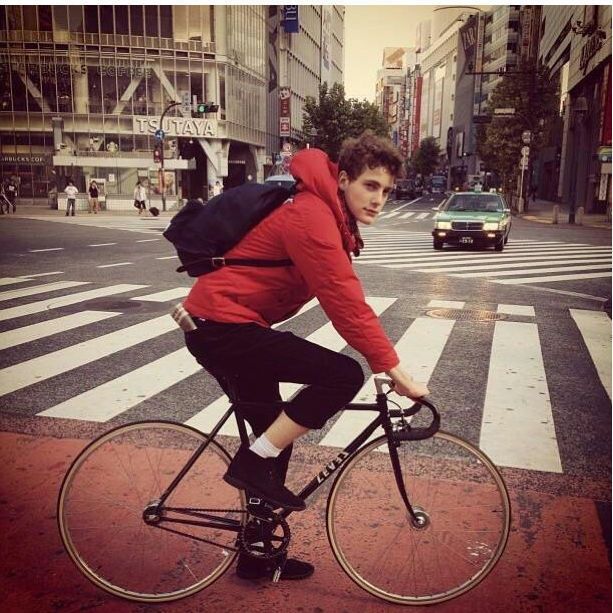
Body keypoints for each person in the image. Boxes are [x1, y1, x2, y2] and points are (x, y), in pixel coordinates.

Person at [180, 131, 430, 582]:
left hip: (229, 325)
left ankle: (255, 554)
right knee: (342, 374)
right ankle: (253, 465)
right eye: (370, 186)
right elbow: (345, 302)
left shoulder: (328, 216)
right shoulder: (312, 216)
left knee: (274, 435)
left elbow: (341, 295)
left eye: (386, 191)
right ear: (344, 179)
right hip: (223, 328)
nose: (378, 199)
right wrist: (396, 371)